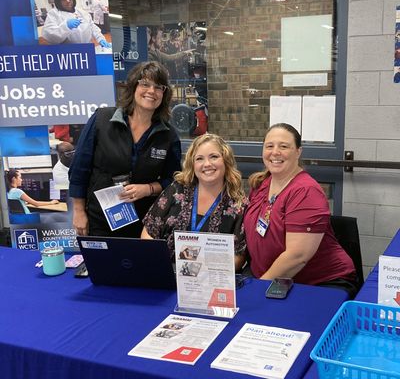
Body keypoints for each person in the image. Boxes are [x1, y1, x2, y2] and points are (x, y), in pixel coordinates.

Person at [69, 61, 182, 238]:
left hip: (146, 222)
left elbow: (175, 179)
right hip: (100, 219)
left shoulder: (167, 135)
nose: (151, 91)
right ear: (133, 86)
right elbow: (79, 168)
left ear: (163, 94)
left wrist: (148, 189)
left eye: (158, 87)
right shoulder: (102, 120)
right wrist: (78, 211)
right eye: (145, 84)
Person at [243, 123, 358, 296]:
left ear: (298, 152)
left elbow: (297, 257)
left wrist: (258, 288)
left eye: (284, 146)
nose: (275, 152)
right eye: (269, 146)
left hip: (316, 283)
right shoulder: (261, 184)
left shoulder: (306, 192)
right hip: (269, 277)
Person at [142, 134, 247, 270]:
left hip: (211, 279)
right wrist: (158, 264)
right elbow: (149, 231)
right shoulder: (177, 189)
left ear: (226, 160)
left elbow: (240, 255)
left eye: (214, 156)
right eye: (199, 158)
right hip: (166, 273)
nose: (207, 164)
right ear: (193, 164)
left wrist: (207, 271)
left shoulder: (238, 204)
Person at [42, 0, 111, 48]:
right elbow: (49, 35)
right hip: (69, 53)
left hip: (87, 50)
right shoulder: (54, 14)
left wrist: (100, 39)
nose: (68, 1)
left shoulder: (83, 13)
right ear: (58, 1)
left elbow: (92, 27)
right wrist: (66, 27)